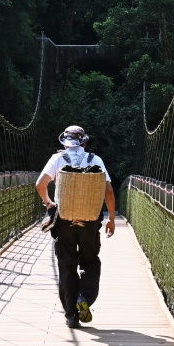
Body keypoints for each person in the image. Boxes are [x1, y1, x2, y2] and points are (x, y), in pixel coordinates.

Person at [36, 125, 117, 328]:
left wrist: (48, 203)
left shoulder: (58, 159)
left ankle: (71, 315)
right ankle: (84, 298)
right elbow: (108, 190)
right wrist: (112, 219)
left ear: (64, 141)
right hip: (89, 222)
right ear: (84, 142)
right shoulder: (95, 160)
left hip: (64, 221)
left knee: (67, 265)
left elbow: (40, 185)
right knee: (91, 262)